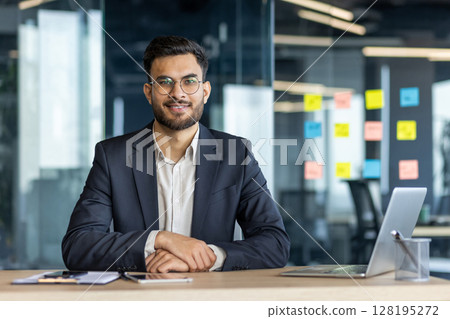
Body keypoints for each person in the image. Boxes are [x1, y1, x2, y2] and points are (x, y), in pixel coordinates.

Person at [62, 35, 290, 273]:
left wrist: (208, 257)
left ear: (205, 91)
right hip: (139, 301)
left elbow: (274, 244)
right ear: (149, 92)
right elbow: (78, 246)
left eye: (189, 81)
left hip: (212, 301)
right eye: (165, 82)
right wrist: (159, 239)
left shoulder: (236, 154)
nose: (177, 93)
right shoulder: (113, 157)